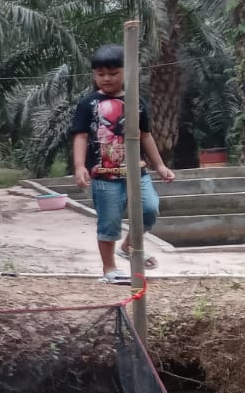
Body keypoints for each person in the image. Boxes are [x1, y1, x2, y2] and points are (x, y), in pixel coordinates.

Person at [71, 44, 176, 284]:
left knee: (149, 210)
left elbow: (146, 135)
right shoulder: (88, 104)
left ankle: (128, 246)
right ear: (93, 75)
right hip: (103, 175)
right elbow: (80, 136)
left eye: (112, 73)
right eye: (100, 74)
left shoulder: (136, 102)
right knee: (109, 223)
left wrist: (159, 166)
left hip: (137, 173)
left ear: (125, 72)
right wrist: (79, 166)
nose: (106, 79)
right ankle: (109, 269)